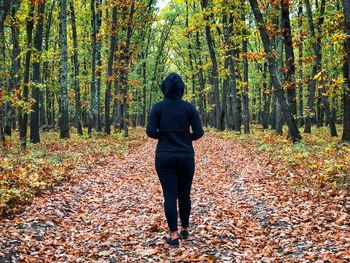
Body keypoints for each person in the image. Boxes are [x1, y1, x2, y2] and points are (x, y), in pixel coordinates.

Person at [146, 72, 204, 247]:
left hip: (164, 156)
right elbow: (199, 132)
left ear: (164, 88)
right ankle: (185, 228)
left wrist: (165, 136)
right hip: (186, 156)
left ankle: (174, 235)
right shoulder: (189, 108)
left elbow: (150, 132)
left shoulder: (157, 108)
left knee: (169, 195)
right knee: (184, 194)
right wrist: (185, 138)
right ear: (181, 89)